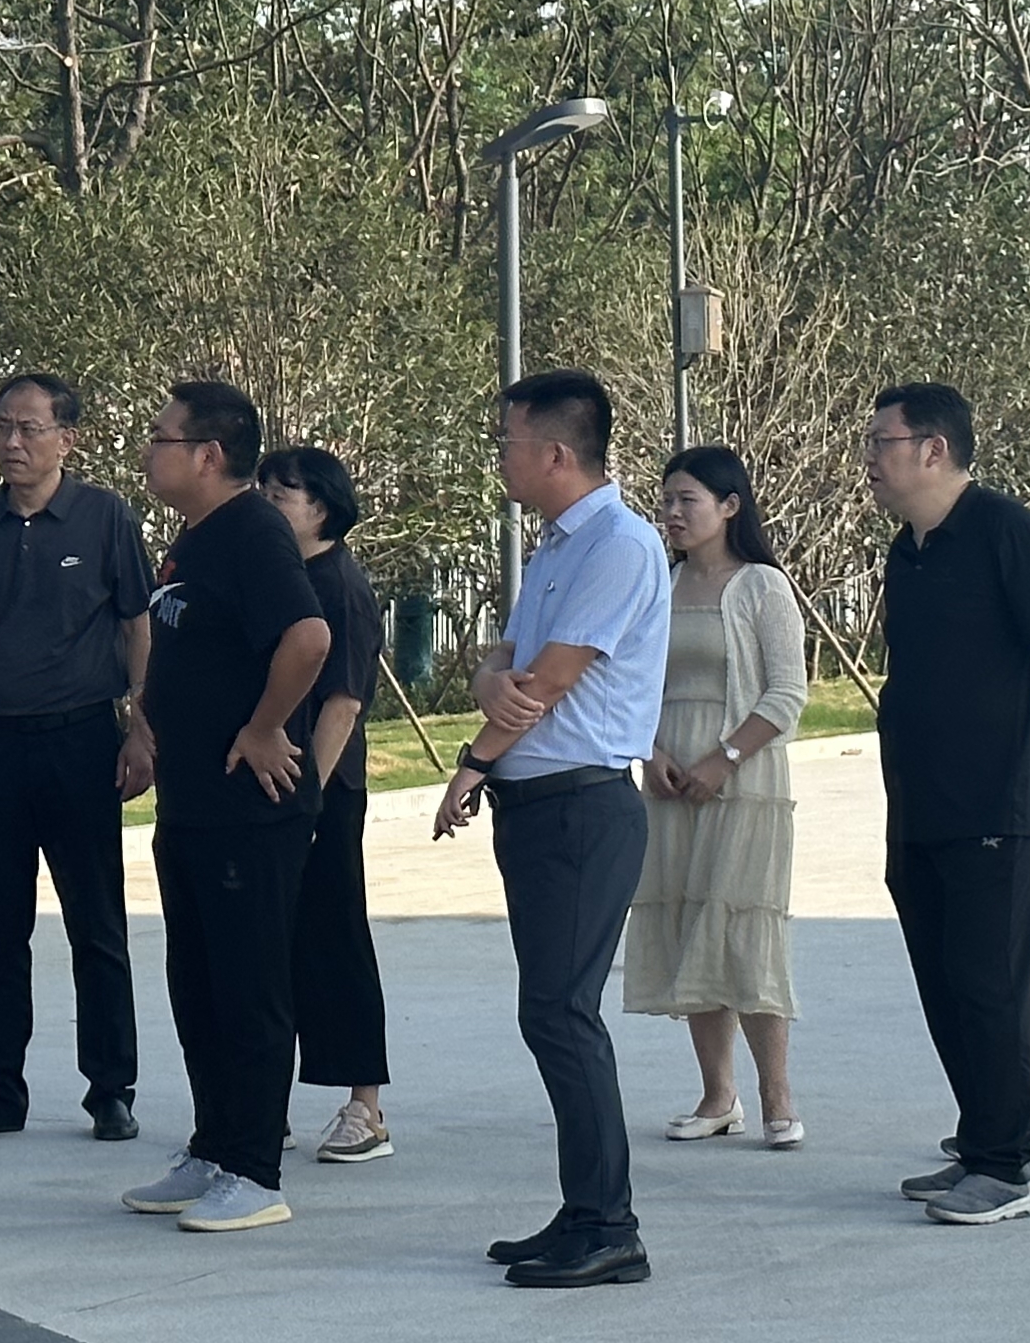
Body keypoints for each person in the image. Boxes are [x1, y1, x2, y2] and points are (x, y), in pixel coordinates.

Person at [434, 368, 668, 1290]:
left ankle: (610, 1225)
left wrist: (471, 761)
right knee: (550, 1011)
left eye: (508, 442)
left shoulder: (618, 543)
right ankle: (582, 1211)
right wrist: (490, 683)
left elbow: (547, 682)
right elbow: (506, 660)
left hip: (580, 806)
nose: (500, 457)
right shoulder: (555, 544)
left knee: (562, 1013)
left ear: (557, 453)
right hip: (537, 806)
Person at [867, 382, 1030, 1228]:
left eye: (881, 443)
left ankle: (1004, 1167)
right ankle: (978, 1139)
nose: (869, 461)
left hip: (998, 801)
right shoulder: (908, 549)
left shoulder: (1007, 532)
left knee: (990, 985)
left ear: (933, 450)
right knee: (946, 984)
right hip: (921, 802)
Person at [0, 374, 153, 1144]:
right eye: (2, 427)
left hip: (80, 742)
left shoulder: (104, 517)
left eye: (28, 428)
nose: (11, 442)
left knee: (95, 924)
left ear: (65, 440)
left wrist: (141, 727)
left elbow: (137, 626)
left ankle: (109, 1089)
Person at [116, 380, 331, 1235]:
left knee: (247, 988)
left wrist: (265, 725)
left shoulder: (251, 532)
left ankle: (253, 1168)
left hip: (249, 810)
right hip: (192, 804)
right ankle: (212, 1148)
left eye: (160, 437)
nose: (147, 450)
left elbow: (308, 637)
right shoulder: (196, 537)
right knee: (198, 986)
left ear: (207, 455)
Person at [624, 445, 809, 1150]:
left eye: (687, 500)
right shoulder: (661, 585)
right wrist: (653, 753)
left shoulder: (762, 586)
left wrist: (724, 758)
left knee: (742, 929)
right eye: (666, 500)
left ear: (730, 507)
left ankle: (776, 1096)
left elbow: (786, 693)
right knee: (688, 923)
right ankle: (716, 1095)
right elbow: (633, 683)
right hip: (670, 779)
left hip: (744, 779)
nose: (672, 513)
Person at [255, 444, 392, 1165]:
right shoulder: (279, 577)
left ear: (322, 508)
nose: (268, 504)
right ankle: (262, 1105)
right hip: (268, 787)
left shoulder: (339, 585)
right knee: (268, 951)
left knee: (334, 941)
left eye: (282, 494)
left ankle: (365, 1108)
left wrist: (306, 803)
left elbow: (342, 703)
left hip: (321, 796)